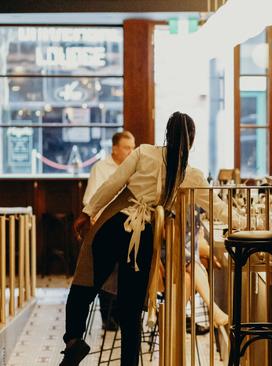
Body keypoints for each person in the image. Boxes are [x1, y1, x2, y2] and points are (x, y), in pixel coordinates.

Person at [61, 112, 203, 366]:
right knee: (130, 310)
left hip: (115, 226)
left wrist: (87, 212)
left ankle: (73, 340)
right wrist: (242, 222)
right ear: (191, 141)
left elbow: (113, 184)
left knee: (83, 287)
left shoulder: (144, 152)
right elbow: (216, 204)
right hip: (145, 238)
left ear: (167, 135)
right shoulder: (190, 174)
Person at [82, 131, 135, 332]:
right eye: (126, 147)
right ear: (115, 148)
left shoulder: (135, 170)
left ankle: (125, 312)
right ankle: (108, 315)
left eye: (133, 147)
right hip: (106, 225)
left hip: (129, 225)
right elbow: (89, 200)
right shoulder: (101, 168)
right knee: (108, 267)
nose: (131, 151)